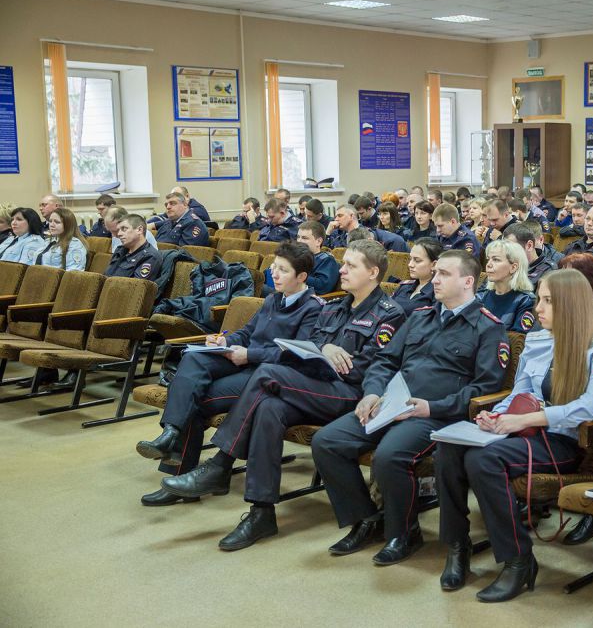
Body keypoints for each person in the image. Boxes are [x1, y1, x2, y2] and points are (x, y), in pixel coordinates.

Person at [159, 241, 406, 548]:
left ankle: (221, 464)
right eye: (344, 263)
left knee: (266, 374)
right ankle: (261, 513)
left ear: (372, 273)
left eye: (351, 266)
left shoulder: (390, 313)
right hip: (314, 385)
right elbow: (308, 348)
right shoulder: (335, 307)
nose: (341, 270)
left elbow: (369, 368)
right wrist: (325, 349)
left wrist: (323, 357)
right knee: (268, 409)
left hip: (350, 394)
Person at [310, 250, 508, 566]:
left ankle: (403, 532)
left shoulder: (487, 327)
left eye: (444, 273)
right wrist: (372, 393)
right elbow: (385, 360)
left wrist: (433, 407)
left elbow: (485, 389)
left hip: (436, 414)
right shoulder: (421, 316)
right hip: (391, 403)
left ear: (468, 281)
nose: (435, 278)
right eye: (436, 272)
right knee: (327, 442)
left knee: (390, 457)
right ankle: (367, 519)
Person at [435, 268, 593, 600]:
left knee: (483, 460)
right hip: (522, 429)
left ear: (570, 305)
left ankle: (518, 559)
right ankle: (457, 545)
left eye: (547, 301)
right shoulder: (536, 340)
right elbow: (519, 392)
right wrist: (497, 415)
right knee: (449, 448)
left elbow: (592, 407)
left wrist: (529, 419)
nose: (538, 308)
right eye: (539, 299)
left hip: (561, 440)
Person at [135, 242, 323, 506]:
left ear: (301, 277)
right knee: (193, 358)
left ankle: (180, 474)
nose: (274, 274)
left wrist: (250, 354)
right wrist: (224, 341)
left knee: (194, 398)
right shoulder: (273, 299)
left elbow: (295, 355)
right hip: (244, 360)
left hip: (266, 374)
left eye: (283, 270)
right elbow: (246, 333)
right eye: (273, 267)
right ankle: (170, 432)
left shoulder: (312, 308)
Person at [262, 221, 338, 296]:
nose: (299, 241)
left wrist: (293, 274)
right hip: (277, 290)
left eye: (305, 238)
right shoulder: (291, 255)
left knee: (256, 288)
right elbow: (266, 275)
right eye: (298, 237)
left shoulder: (326, 260)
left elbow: (322, 286)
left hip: (298, 297)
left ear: (318, 241)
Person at [477, 240, 536, 333]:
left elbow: (517, 340)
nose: (488, 264)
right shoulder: (480, 297)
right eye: (488, 259)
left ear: (513, 267)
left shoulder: (526, 301)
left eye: (496, 259)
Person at [393, 237, 441, 315]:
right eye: (410, 259)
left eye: (417, 260)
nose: (410, 265)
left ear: (434, 264)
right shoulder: (404, 286)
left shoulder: (438, 292)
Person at [105, 214, 162, 280]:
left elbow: (135, 287)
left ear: (139, 230)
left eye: (124, 229)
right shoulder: (120, 250)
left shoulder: (150, 256)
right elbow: (106, 276)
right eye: (119, 230)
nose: (119, 234)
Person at [503, 222, 556, 288]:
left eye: (511, 248)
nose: (506, 253)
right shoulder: (505, 264)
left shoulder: (548, 271)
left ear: (529, 246)